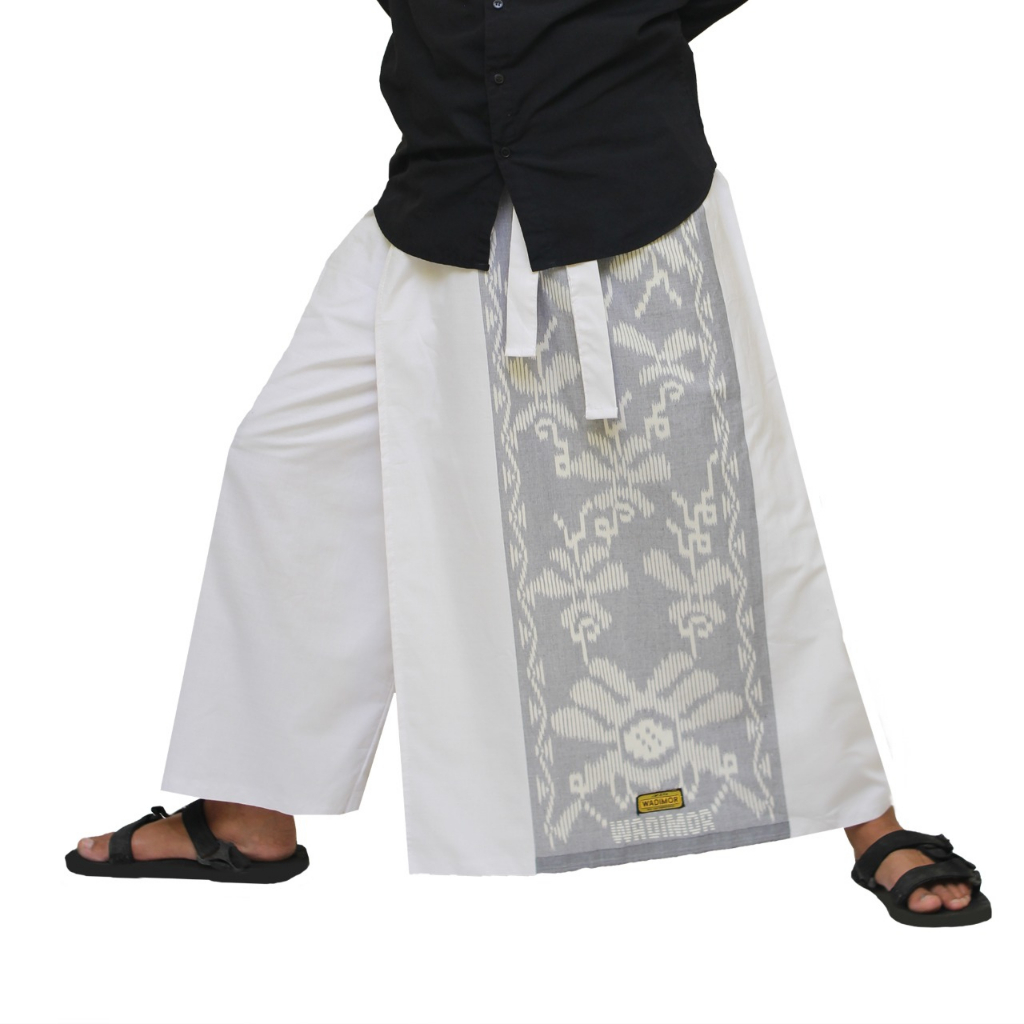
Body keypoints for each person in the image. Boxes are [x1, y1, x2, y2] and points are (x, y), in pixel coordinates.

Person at [65, 0, 991, 925]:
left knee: (723, 518)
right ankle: (248, 814)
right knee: (286, 464)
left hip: (629, 201)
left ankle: (870, 823)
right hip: (441, 199)